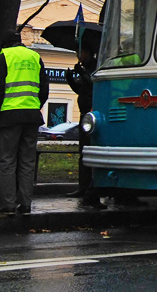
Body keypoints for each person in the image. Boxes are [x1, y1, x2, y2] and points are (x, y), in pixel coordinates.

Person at [0, 30, 48, 215]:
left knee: (7, 160)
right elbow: (44, 89)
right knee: (27, 161)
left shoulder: (4, 56)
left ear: (5, 44)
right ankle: (26, 203)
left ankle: (8, 204)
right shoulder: (35, 56)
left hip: (9, 115)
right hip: (31, 115)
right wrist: (35, 105)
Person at [65, 42, 105, 208]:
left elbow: (94, 84)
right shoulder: (84, 68)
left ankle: (91, 189)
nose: (78, 56)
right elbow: (81, 89)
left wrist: (83, 74)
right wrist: (71, 80)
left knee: (90, 152)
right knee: (83, 153)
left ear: (88, 53)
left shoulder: (95, 66)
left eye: (80, 52)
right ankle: (83, 187)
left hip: (92, 114)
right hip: (84, 114)